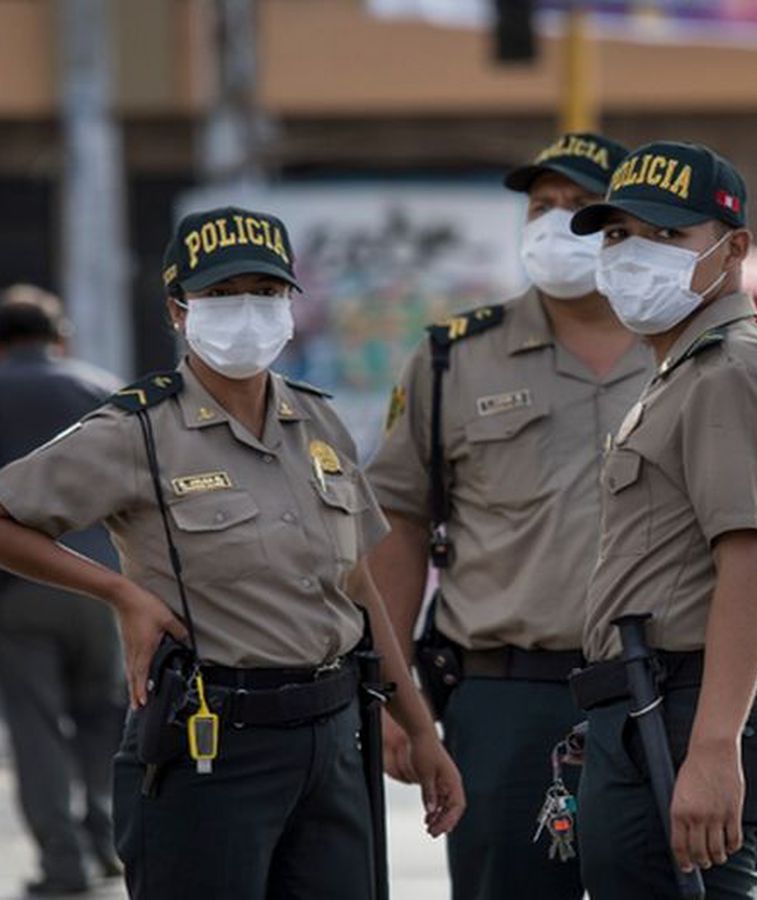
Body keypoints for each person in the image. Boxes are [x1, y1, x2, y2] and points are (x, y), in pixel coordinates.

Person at [0, 206, 465, 900]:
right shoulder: (139, 431)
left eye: (265, 291)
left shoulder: (317, 420)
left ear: (288, 305)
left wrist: (420, 731)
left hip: (334, 741)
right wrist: (120, 593)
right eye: (221, 294)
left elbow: (358, 587)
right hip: (209, 747)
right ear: (179, 310)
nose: (246, 311)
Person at [367, 132, 649, 900]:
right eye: (540, 207)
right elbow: (397, 521)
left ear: (627, 223)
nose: (556, 224)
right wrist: (397, 695)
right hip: (506, 695)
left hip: (659, 689)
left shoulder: (687, 348)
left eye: (581, 205)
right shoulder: (454, 357)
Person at [566, 141, 757, 898]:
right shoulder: (699, 369)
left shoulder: (729, 370)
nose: (631, 256)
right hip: (693, 706)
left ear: (733, 248)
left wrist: (713, 749)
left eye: (663, 236)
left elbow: (756, 562)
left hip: (685, 712)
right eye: (618, 236)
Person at [0, 288, 126, 896]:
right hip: (104, 585)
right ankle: (107, 842)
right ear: (61, 337)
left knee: (36, 724)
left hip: (17, 588)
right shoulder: (102, 389)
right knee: (105, 717)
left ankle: (63, 864)